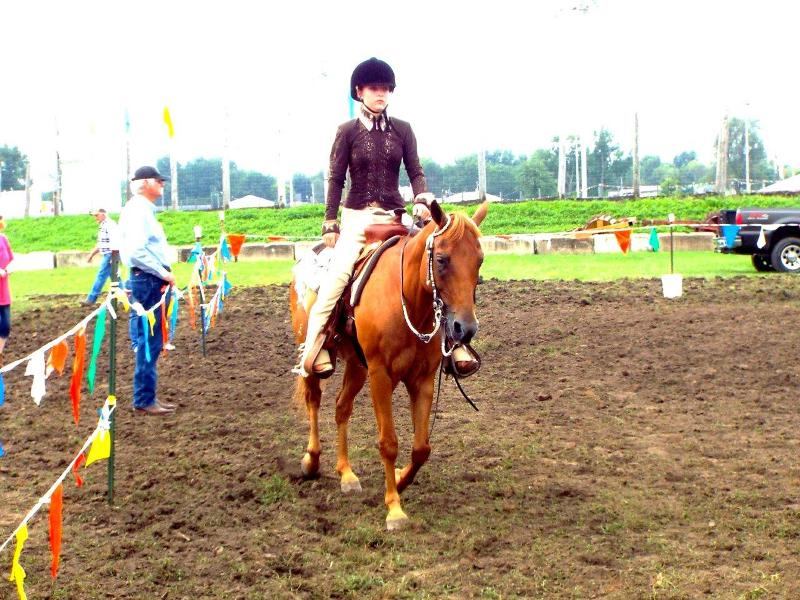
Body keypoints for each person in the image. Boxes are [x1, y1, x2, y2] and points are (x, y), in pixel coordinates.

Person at [293, 57, 476, 377]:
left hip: (395, 216)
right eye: (374, 88)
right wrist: (330, 221)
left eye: (386, 89)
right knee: (337, 277)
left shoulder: (403, 130)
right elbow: (336, 179)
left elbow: (415, 171)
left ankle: (453, 343)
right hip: (357, 219)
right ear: (359, 92)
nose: (381, 94)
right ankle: (317, 345)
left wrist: (422, 198)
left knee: (435, 266)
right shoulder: (346, 132)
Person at [118, 166, 177, 416]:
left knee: (152, 340)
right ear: (144, 183)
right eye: (158, 180)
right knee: (150, 341)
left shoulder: (142, 210)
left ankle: (146, 396)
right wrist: (163, 273)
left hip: (150, 280)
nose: (162, 183)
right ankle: (144, 399)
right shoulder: (138, 211)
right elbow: (136, 252)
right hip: (149, 280)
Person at [82, 208, 119, 306]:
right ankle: (128, 297)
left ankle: (91, 299)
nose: (95, 218)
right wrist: (91, 255)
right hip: (108, 254)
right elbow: (100, 244)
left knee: (101, 276)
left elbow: (115, 242)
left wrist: (113, 257)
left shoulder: (110, 225)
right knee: (116, 279)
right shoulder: (103, 225)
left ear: (103, 214)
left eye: (96, 215)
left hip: (110, 255)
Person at [0, 217, 14, 356]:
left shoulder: (3, 239)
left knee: (5, 326)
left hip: (3, 292)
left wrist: (9, 268)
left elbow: (11, 259)